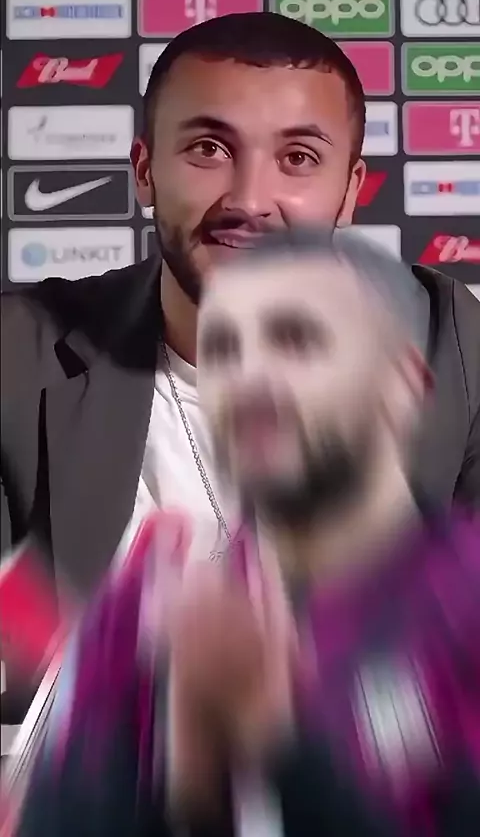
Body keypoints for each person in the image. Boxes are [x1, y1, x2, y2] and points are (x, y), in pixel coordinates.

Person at [1, 12, 479, 729]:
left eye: (298, 158)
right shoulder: (18, 350)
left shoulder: (452, 342)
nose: (249, 200)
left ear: (350, 191)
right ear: (144, 170)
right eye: (208, 148)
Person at [12, 228, 480, 837]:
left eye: (296, 340)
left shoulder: (465, 609)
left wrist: (281, 746)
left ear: (404, 385)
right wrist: (189, 779)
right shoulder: (140, 619)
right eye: (225, 349)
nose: (250, 377)